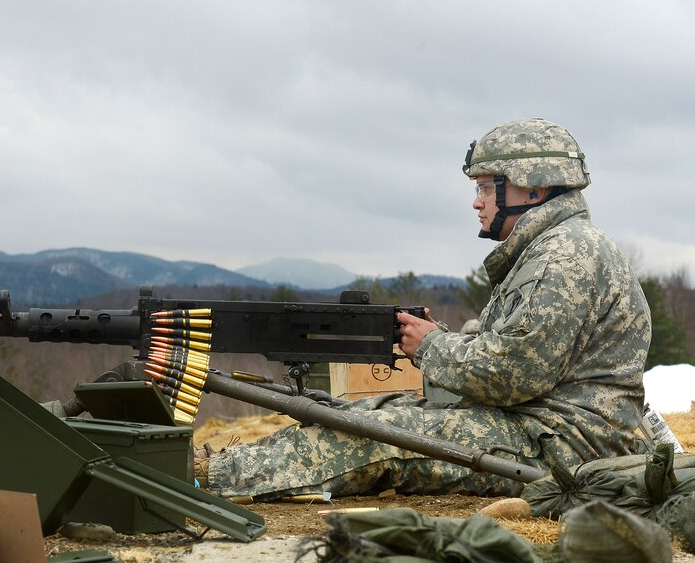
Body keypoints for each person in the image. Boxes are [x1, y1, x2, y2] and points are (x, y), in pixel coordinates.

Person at [205, 118, 652, 500]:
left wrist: (433, 346)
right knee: (362, 414)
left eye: (486, 187)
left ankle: (209, 477)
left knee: (381, 440)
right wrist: (450, 341)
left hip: (568, 445)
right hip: (547, 427)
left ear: (533, 190)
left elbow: (513, 374)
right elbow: (517, 352)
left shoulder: (566, 255)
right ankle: (221, 465)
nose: (477, 201)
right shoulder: (557, 249)